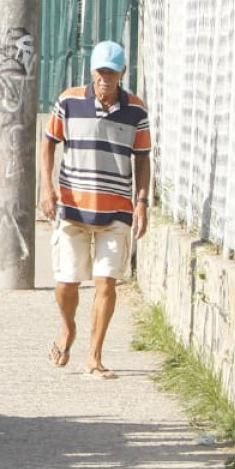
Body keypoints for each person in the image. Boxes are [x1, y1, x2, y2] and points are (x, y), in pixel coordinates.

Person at [39, 39, 152, 380]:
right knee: (67, 283)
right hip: (73, 207)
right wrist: (47, 188)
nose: (105, 79)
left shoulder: (136, 111)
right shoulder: (69, 101)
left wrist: (142, 202)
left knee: (106, 284)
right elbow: (48, 144)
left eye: (111, 73)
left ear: (123, 73)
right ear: (92, 71)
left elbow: (143, 159)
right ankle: (68, 328)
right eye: (101, 72)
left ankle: (94, 356)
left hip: (116, 209)